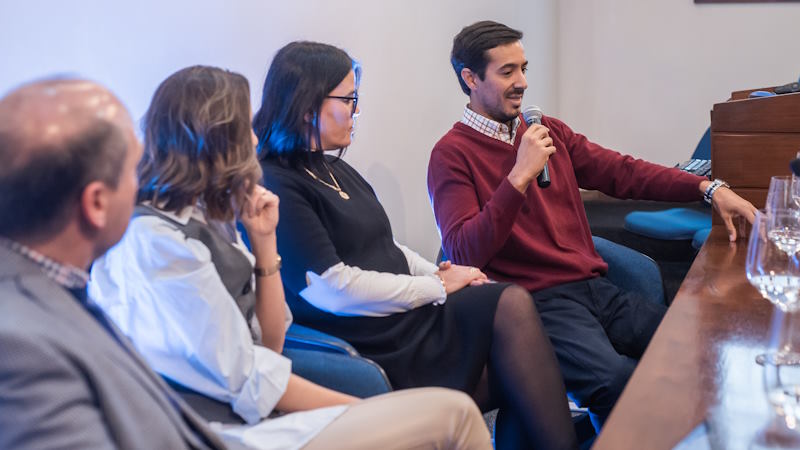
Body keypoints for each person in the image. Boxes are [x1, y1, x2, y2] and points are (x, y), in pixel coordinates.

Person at [88, 65, 492, 450]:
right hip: (218, 429)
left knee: (461, 390)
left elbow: (272, 339)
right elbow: (247, 375)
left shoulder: (207, 218)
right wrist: (362, 411)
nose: (252, 140)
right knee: (453, 414)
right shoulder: (156, 242)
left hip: (252, 405)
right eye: (243, 128)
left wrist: (264, 244)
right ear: (212, 140)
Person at [427, 20, 759, 430]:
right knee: (615, 381)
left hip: (593, 287)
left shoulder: (545, 130)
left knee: (696, 344)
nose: (522, 83)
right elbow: (463, 252)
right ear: (470, 78)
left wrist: (707, 188)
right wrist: (518, 178)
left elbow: (623, 172)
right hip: (536, 302)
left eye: (524, 68)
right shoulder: (451, 154)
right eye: (507, 71)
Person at [256, 41, 578, 450]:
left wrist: (441, 271)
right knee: (513, 326)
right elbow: (332, 288)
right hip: (374, 333)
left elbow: (386, 246)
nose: (357, 111)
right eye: (349, 100)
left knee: (514, 330)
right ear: (307, 106)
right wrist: (437, 288)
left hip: (407, 312)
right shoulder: (276, 182)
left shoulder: (334, 167)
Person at [0, 78, 228, 449]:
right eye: (135, 169)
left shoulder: (55, 280)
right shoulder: (18, 349)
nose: (141, 183)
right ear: (97, 204)